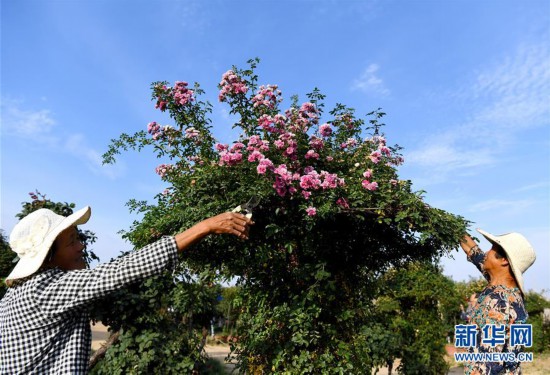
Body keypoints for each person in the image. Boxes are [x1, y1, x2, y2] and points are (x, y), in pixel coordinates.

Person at [0, 206, 253, 374]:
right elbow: (121, 270)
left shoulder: (12, 297)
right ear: (48, 257)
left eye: (79, 238)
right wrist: (205, 226)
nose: (80, 247)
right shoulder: (47, 289)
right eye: (72, 241)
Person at [459, 229, 536, 375]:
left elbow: (488, 365)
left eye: (491, 249)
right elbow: (472, 251)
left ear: (504, 261)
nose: (486, 253)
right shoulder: (499, 284)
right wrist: (448, 226)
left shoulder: (498, 303)